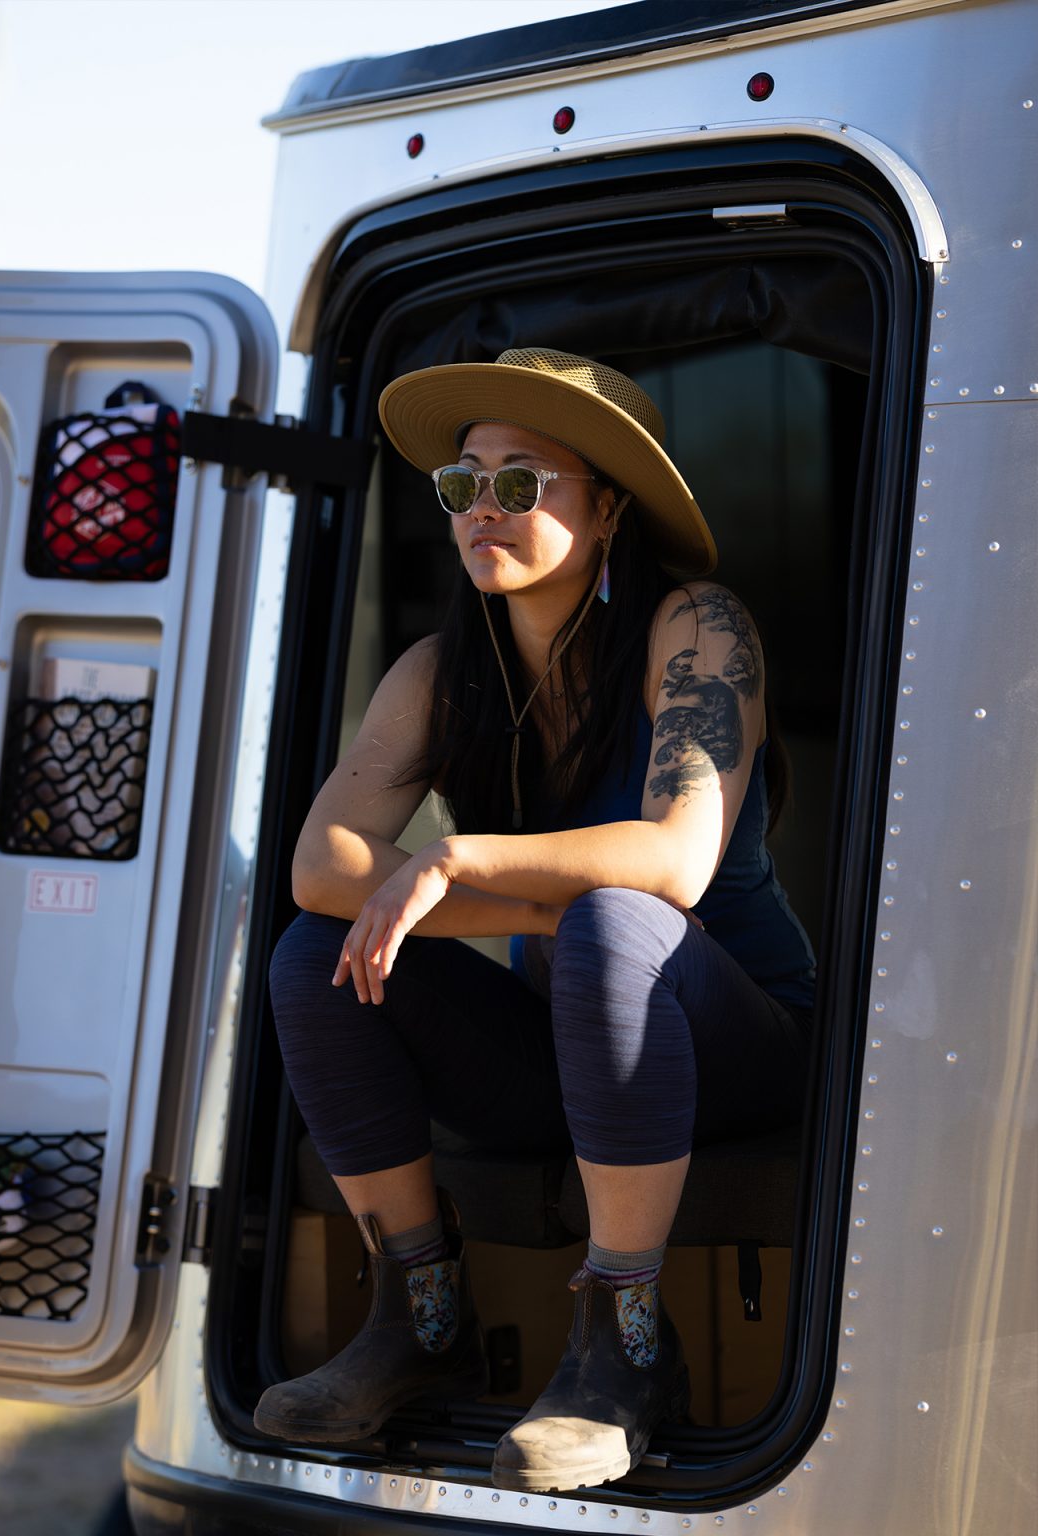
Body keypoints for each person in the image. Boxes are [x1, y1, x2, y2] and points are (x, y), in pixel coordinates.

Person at [254, 348, 816, 1492]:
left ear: (608, 508)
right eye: (463, 484)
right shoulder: (439, 669)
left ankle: (628, 1349)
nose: (483, 508)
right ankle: (421, 1318)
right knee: (319, 955)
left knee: (611, 925)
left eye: (522, 482)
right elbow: (322, 867)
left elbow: (675, 860)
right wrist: (480, 902)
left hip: (731, 1042)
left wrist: (452, 862)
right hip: (564, 1044)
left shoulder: (698, 629)